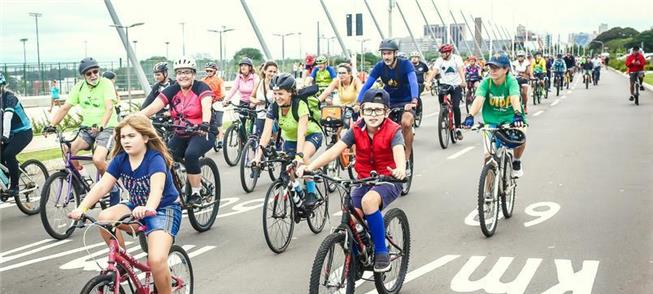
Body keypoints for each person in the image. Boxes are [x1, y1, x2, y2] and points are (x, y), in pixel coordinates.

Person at [67, 114, 181, 294]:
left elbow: (157, 189)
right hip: (136, 207)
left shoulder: (155, 158)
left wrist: (149, 207)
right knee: (104, 218)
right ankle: (123, 263)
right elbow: (102, 186)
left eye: (132, 136)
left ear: (145, 137)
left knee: (157, 260)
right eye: (123, 137)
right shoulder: (121, 159)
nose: (126, 141)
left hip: (163, 209)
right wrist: (81, 208)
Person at [297, 88, 406, 272]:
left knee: (368, 202)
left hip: (387, 180)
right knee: (351, 219)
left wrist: (400, 169)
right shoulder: (356, 129)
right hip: (363, 180)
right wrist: (310, 167)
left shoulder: (393, 130)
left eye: (378, 110)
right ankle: (357, 259)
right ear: (361, 111)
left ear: (386, 112)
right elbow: (334, 151)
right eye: (368, 110)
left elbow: (399, 152)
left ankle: (381, 252)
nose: (373, 114)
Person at [140, 56, 216, 206]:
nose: (183, 76)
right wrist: (133, 119)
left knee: (191, 154)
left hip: (202, 132)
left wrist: (205, 124)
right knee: (164, 156)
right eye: (180, 73)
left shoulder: (201, 87)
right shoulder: (172, 90)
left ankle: (196, 192)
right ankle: (172, 190)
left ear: (194, 74)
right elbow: (153, 107)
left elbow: (206, 106)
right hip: (181, 132)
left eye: (187, 72)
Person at [45, 57, 120, 205]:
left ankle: (113, 186)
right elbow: (65, 107)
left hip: (107, 127)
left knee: (98, 159)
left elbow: (109, 107)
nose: (93, 75)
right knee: (67, 149)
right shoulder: (79, 87)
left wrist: (101, 125)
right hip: (87, 128)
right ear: (83, 76)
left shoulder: (106, 84)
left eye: (95, 72)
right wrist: (51, 124)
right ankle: (82, 183)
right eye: (89, 73)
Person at [253, 73, 323, 208]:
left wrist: (299, 156)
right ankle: (298, 192)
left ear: (290, 92)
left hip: (311, 135)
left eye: (281, 93)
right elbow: (266, 133)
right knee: (288, 171)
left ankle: (311, 192)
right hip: (291, 139)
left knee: (303, 158)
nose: (277, 97)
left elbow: (301, 133)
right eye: (275, 93)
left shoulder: (299, 105)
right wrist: (257, 157)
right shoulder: (273, 107)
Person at [357, 39, 418, 168]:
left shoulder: (406, 64)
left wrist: (414, 100)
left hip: (407, 101)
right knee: (376, 125)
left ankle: (406, 156)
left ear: (395, 54)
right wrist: (359, 101)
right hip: (389, 101)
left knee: (406, 123)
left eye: (389, 53)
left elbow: (413, 82)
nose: (386, 57)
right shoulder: (379, 67)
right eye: (384, 54)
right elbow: (368, 84)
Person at [463, 53, 526, 177]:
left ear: (506, 69)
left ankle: (516, 161)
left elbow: (514, 98)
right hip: (491, 121)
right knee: (488, 158)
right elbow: (479, 99)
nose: (492, 71)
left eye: (496, 68)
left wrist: (518, 114)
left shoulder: (511, 81)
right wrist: (470, 115)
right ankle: (488, 193)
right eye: (490, 67)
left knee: (521, 134)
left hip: (511, 119)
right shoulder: (486, 82)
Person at [1, 73, 33, 197]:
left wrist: (4, 136)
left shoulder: (10, 98)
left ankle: (14, 187)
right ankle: (5, 184)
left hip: (23, 132)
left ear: (2, 85)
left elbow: (7, 118)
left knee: (8, 154)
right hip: (9, 133)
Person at [427, 43, 466, 140]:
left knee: (456, 107)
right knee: (441, 97)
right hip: (444, 84)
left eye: (443, 53)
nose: (441, 55)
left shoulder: (457, 59)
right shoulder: (439, 60)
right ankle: (443, 113)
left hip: (456, 85)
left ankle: (458, 129)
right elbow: (435, 71)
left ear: (448, 53)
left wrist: (463, 81)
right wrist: (428, 81)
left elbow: (461, 70)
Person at [317, 63, 362, 127]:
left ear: (349, 74)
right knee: (335, 124)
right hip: (342, 106)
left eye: (343, 73)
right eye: (339, 73)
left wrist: (358, 104)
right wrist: (317, 101)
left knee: (352, 125)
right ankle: (336, 136)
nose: (341, 75)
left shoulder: (355, 81)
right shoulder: (337, 81)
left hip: (354, 106)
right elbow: (326, 92)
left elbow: (361, 93)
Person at [251, 61, 278, 137]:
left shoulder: (277, 84)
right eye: (270, 71)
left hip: (273, 116)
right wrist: (256, 101)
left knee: (274, 139)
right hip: (260, 115)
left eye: (274, 72)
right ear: (264, 71)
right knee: (259, 138)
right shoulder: (259, 83)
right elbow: (251, 97)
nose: (272, 74)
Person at [202, 62, 226, 147]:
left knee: (219, 122)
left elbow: (223, 92)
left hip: (217, 102)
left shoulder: (219, 80)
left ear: (215, 71)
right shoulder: (203, 80)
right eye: (207, 71)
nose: (208, 72)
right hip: (207, 102)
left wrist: (221, 97)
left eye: (210, 71)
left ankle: (220, 139)